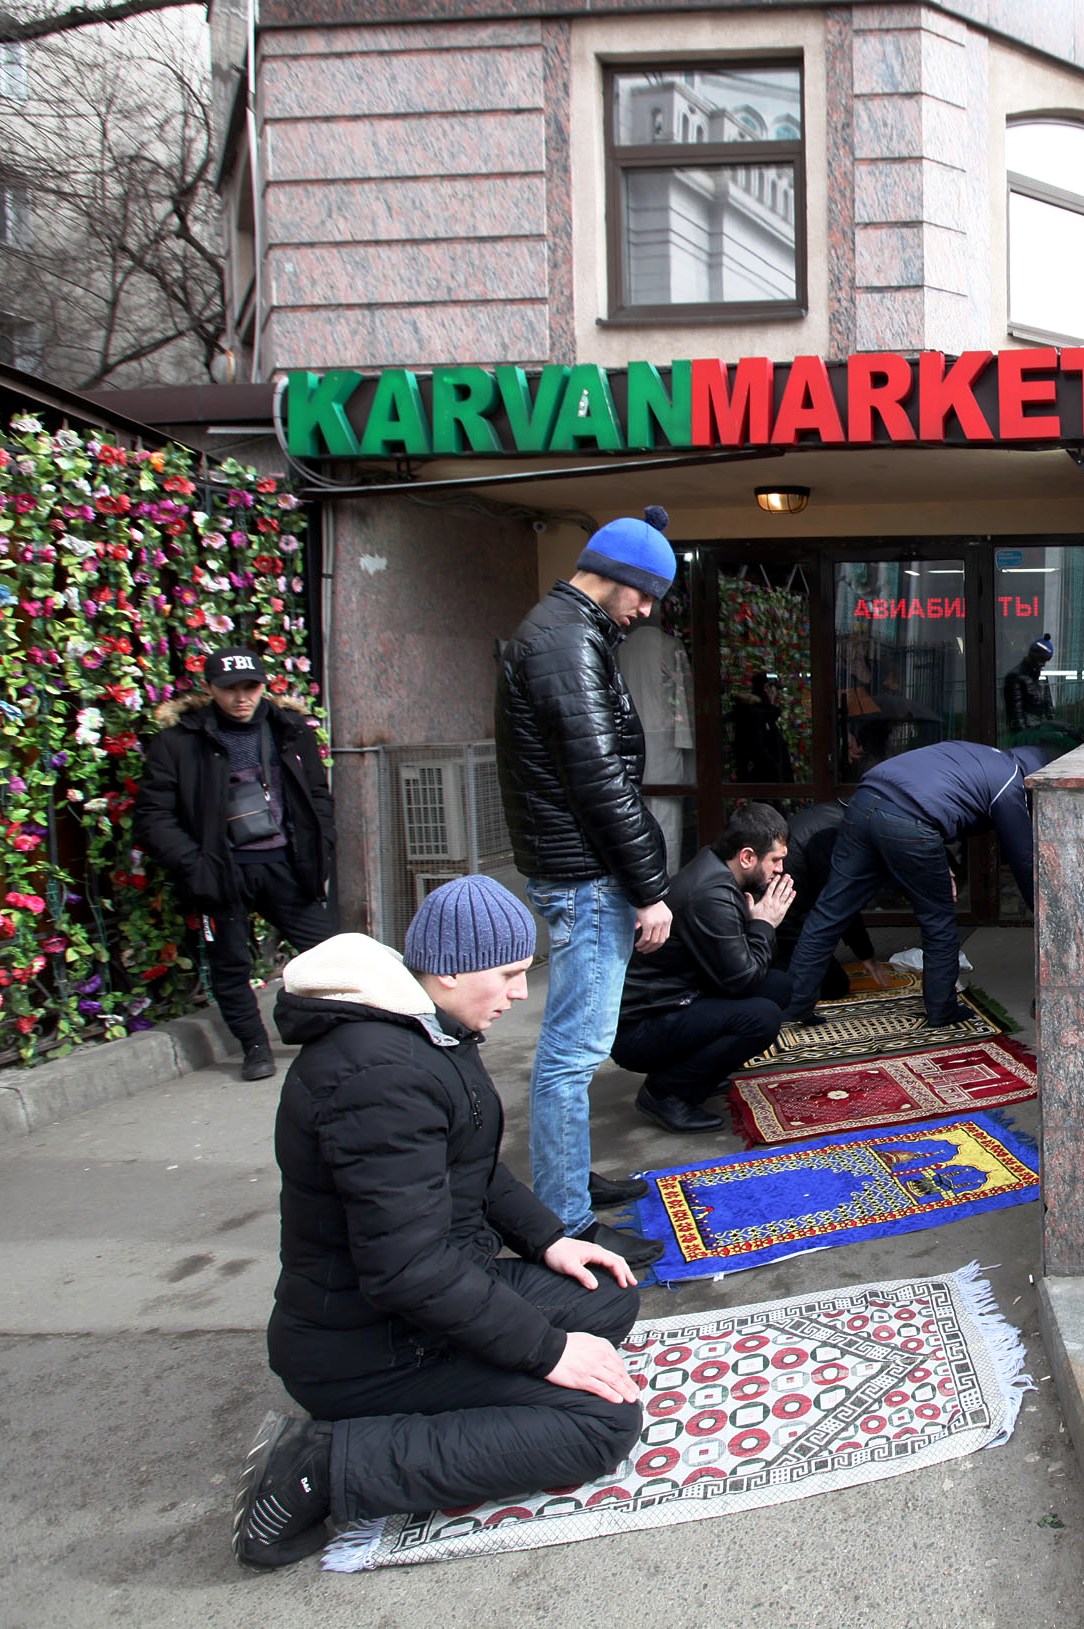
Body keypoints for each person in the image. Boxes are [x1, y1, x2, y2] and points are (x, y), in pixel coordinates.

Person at [233, 876, 641, 1571]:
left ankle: (464, 1387)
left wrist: (549, 1238)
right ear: (450, 968)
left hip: (427, 1302)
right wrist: (546, 1352)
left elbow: (473, 1166)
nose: (519, 992)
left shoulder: (428, 1026)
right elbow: (408, 1268)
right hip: (367, 1347)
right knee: (601, 1421)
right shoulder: (377, 1075)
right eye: (510, 973)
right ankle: (323, 1466)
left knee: (605, 1292)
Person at [496, 506, 677, 1270]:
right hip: (586, 876)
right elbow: (603, 784)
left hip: (573, 866)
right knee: (573, 1054)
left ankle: (569, 1183)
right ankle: (568, 1220)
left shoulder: (561, 631)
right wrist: (650, 887)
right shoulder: (567, 642)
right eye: (644, 595)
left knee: (572, 1050)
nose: (645, 612)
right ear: (620, 577)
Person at [134, 647, 337, 1080]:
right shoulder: (180, 742)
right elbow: (153, 817)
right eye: (229, 689)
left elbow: (317, 794)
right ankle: (255, 1047)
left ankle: (338, 1034)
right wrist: (195, 863)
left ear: (265, 686)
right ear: (210, 689)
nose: (241, 698)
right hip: (221, 871)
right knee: (230, 965)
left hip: (285, 866)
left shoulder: (287, 729)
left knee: (331, 953)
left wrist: (323, 844)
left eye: (251, 687)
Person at [788, 740, 1051, 1023]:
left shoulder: (978, 754)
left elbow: (943, 797)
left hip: (863, 802)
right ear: (1033, 779)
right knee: (938, 920)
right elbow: (1023, 859)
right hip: (908, 820)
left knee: (829, 913)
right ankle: (943, 1010)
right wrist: (1045, 914)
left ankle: (794, 1007)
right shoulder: (1011, 780)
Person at [613, 802, 798, 1133]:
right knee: (762, 1017)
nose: (780, 870)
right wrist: (764, 925)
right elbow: (742, 981)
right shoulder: (711, 896)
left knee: (778, 986)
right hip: (641, 1027)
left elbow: (737, 971)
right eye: (775, 859)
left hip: (677, 998)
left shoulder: (715, 870)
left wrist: (759, 928)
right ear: (747, 857)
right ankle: (665, 1092)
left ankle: (694, 1071)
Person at [772, 800, 883, 997]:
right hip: (782, 916)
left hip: (787, 907)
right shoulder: (833, 836)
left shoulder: (831, 814)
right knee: (834, 985)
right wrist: (865, 953)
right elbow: (838, 899)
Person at [725, 672, 795, 784]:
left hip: (764, 786)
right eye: (775, 688)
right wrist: (776, 771)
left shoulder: (763, 714)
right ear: (767, 688)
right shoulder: (756, 715)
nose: (776, 693)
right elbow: (758, 750)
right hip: (763, 787)